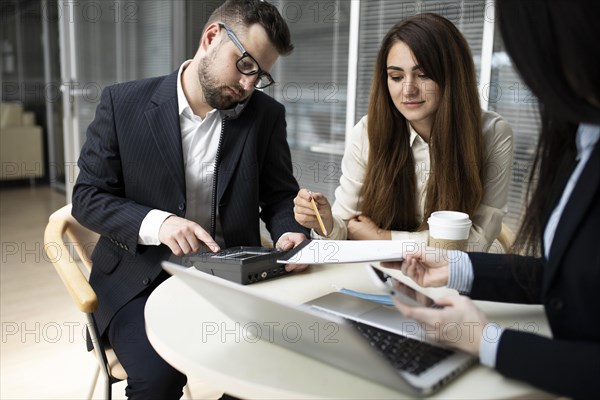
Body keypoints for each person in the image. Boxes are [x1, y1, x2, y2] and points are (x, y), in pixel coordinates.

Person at [71, 1, 309, 398]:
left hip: (230, 279)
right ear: (211, 37)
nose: (249, 85)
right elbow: (88, 198)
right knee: (158, 381)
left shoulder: (265, 116)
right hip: (137, 279)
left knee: (275, 362)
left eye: (261, 75)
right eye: (245, 64)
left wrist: (290, 234)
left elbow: (280, 196)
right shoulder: (122, 104)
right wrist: (157, 223)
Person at [382, 1, 600, 399]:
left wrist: (487, 340)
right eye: (396, 76)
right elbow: (569, 279)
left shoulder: (494, 134)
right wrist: (457, 266)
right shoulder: (580, 140)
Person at [294, 13, 513, 252]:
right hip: (383, 271)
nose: (408, 90)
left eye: (423, 75)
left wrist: (382, 238)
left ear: (452, 76)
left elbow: (477, 242)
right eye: (396, 77)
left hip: (453, 274)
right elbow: (346, 226)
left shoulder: (492, 133)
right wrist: (324, 222)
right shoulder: (368, 132)